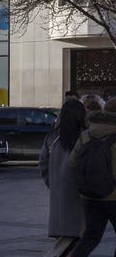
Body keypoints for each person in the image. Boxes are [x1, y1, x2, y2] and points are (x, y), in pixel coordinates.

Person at [39, 98, 87, 257]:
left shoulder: (52, 137)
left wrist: (52, 184)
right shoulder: (85, 136)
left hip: (59, 194)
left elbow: (42, 164)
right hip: (80, 195)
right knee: (74, 236)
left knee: (68, 236)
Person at [69, 96, 116, 256]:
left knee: (91, 237)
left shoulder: (86, 134)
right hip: (114, 197)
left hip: (89, 196)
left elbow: (71, 163)